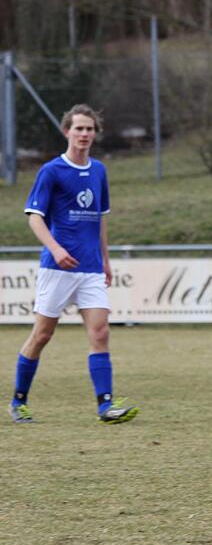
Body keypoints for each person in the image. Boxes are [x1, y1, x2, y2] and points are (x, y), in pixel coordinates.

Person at [10, 105, 139, 425]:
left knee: (101, 332)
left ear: (96, 133)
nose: (84, 134)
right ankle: (18, 401)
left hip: (91, 269)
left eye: (90, 129)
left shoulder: (99, 171)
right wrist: (54, 249)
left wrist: (106, 261)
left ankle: (105, 405)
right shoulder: (52, 171)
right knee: (42, 335)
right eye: (79, 129)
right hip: (57, 269)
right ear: (66, 131)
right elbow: (34, 217)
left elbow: (100, 220)